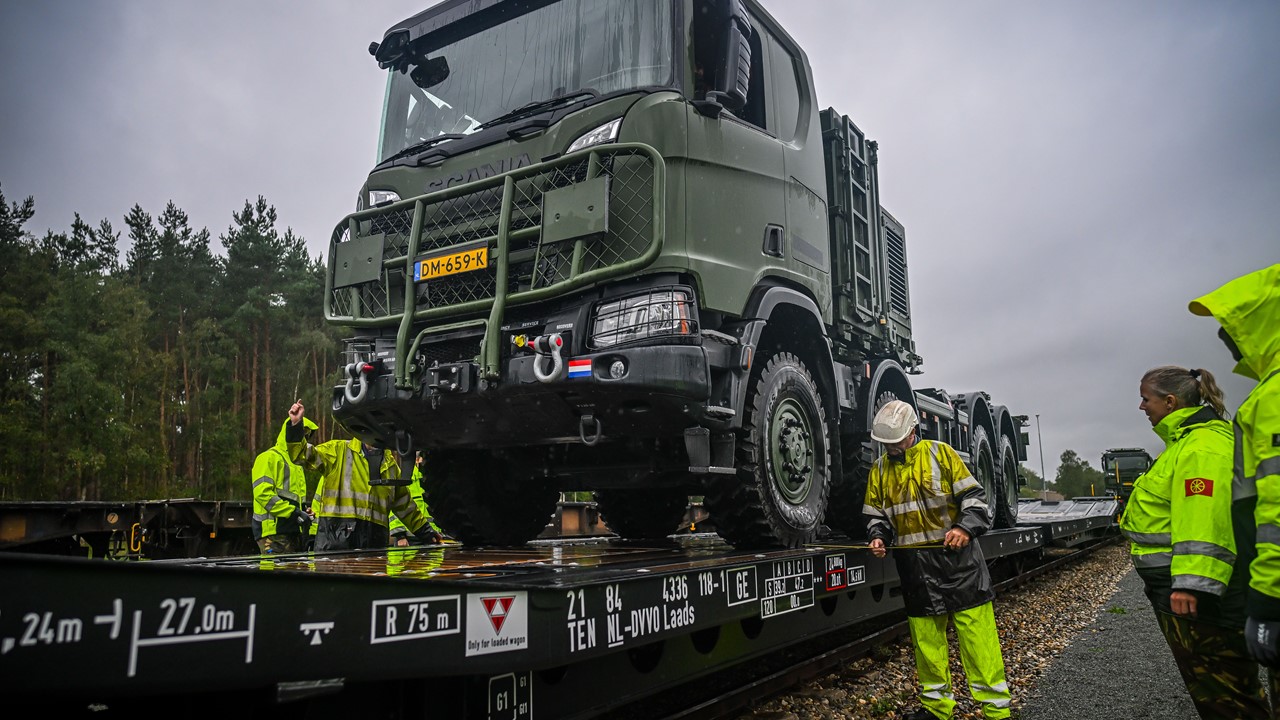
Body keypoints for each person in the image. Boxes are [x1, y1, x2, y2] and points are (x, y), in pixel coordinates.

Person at [1119, 365, 1268, 719]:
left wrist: (1192, 584)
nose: (1142, 407)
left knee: (1224, 695)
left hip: (1200, 600)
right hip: (1183, 590)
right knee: (1220, 691)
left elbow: (1204, 516)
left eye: (1146, 398)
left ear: (1170, 402)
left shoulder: (1201, 447)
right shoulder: (1189, 442)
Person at [863, 400, 1010, 720]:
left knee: (977, 640)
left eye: (896, 441)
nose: (891, 448)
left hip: (958, 563)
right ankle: (936, 708)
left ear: (912, 432)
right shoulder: (879, 470)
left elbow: (975, 501)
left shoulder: (941, 455)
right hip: (916, 568)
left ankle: (996, 710)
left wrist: (963, 528)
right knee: (927, 644)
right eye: (885, 443)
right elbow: (878, 515)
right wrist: (879, 536)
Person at [1189, 264, 1280, 692]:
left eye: (1233, 329)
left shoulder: (1272, 398)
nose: (1229, 341)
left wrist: (1267, 602)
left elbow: (1273, 511)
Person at [285, 401, 438, 551]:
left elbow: (405, 506)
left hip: (373, 543)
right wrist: (295, 427)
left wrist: (426, 533)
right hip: (335, 543)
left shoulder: (390, 467)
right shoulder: (338, 452)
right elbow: (302, 455)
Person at [249, 414, 316, 554]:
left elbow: (293, 499)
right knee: (276, 573)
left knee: (291, 573)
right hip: (273, 532)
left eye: (307, 436)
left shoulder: (296, 465)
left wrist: (304, 512)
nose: (304, 439)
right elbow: (263, 494)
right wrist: (294, 512)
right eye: (301, 434)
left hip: (291, 530)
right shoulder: (268, 457)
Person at [389, 453, 444, 547]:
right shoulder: (405, 475)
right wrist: (400, 535)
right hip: (409, 537)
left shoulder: (432, 477)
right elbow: (396, 502)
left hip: (431, 535)